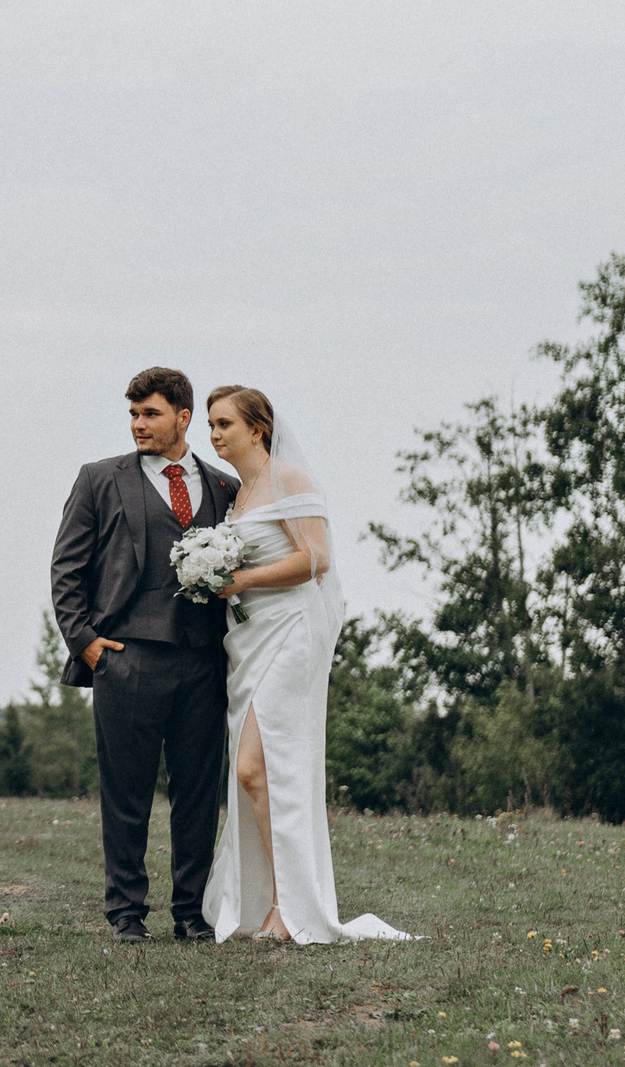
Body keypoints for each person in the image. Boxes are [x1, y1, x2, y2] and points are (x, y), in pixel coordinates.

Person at [198, 385, 407, 944]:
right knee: (257, 775)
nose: (214, 434)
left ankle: (292, 908)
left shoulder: (288, 479)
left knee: (254, 767)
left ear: (257, 428)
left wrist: (238, 580)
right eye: (211, 426)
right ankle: (273, 904)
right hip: (248, 639)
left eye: (224, 424)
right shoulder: (238, 495)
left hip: (292, 631)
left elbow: (315, 559)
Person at [49, 366, 237, 941]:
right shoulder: (100, 479)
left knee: (199, 794)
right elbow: (67, 567)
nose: (138, 425)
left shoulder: (226, 486)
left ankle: (192, 913)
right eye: (133, 414)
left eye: (150, 413)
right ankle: (126, 914)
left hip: (204, 661)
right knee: (126, 793)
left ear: (183, 418)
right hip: (125, 658)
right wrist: (85, 643)